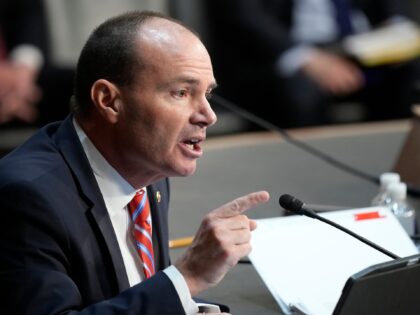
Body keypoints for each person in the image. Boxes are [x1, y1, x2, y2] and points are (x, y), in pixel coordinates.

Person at [0, 10, 270, 315]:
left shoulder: (147, 169)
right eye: (182, 92)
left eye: (207, 94)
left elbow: (131, 296)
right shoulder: (26, 197)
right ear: (108, 100)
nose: (208, 115)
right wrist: (188, 277)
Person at [206, 0, 420, 127]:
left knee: (411, 75)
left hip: (363, 46)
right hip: (287, 52)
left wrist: (396, 30)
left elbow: (394, 9)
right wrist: (305, 57)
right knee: (299, 93)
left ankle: (399, 168)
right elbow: (243, 14)